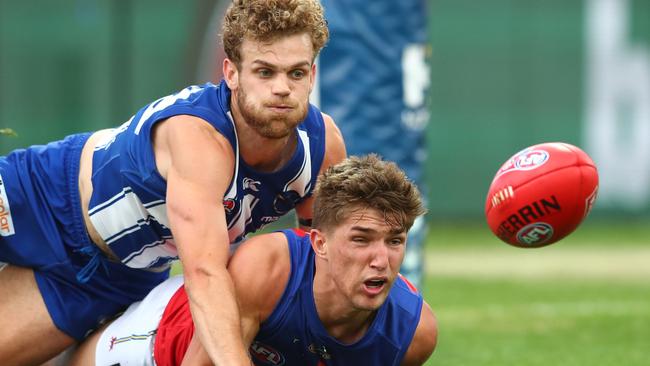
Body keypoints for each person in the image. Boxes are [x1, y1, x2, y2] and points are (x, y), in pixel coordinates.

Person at [0, 0, 345, 364]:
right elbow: (206, 276)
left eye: (295, 73)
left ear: (312, 76)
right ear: (231, 73)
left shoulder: (323, 149)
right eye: (264, 72)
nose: (281, 88)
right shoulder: (201, 138)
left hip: (112, 278)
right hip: (41, 194)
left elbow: (320, 270)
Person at [70, 155, 437, 366]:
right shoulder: (269, 268)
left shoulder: (412, 333)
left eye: (394, 241)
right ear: (319, 243)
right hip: (163, 339)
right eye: (361, 240)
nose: (380, 260)